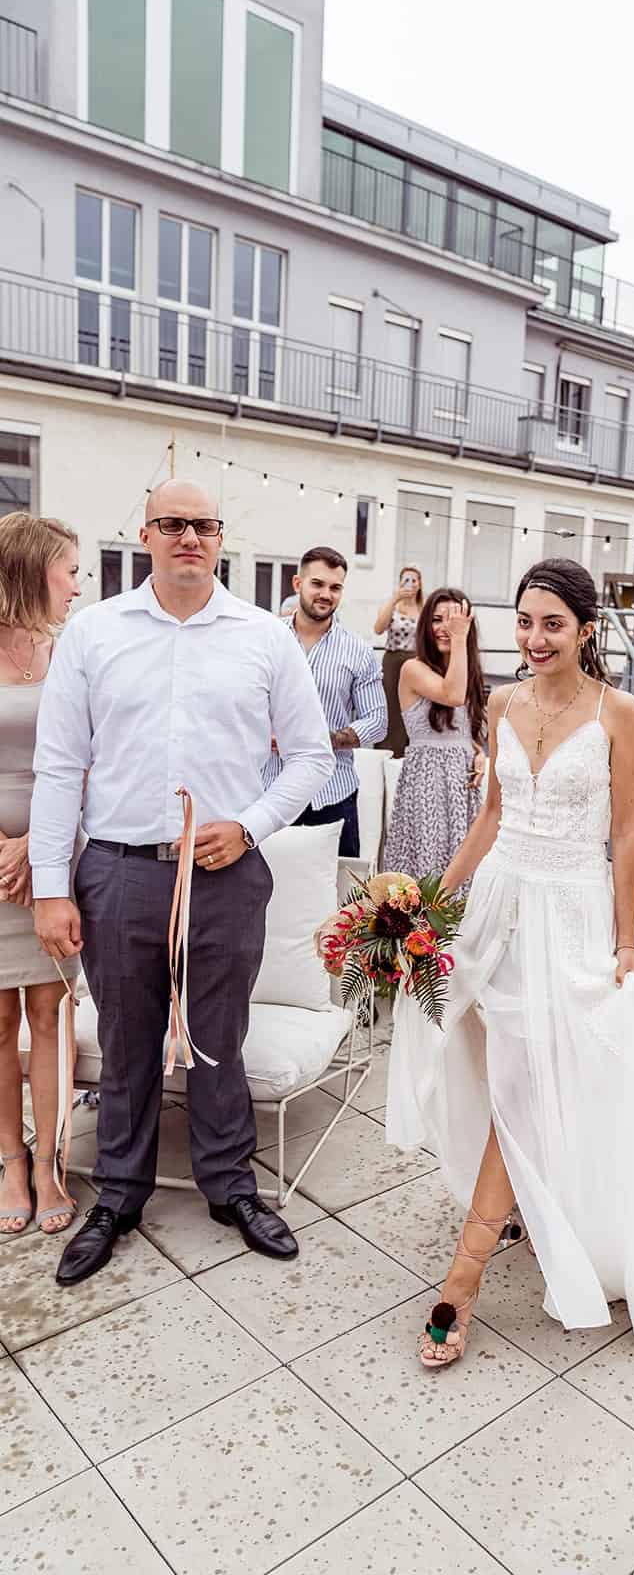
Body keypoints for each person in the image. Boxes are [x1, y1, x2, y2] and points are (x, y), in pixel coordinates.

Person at [385, 558, 634, 1365]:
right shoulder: (502, 703)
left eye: (552, 623)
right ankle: (517, 1199)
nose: (534, 638)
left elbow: (626, 833)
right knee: (485, 1059)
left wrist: (627, 943)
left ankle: (464, 1276)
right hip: (498, 904)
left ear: (585, 630)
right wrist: (433, 904)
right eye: (523, 621)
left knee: (525, 1083)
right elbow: (490, 815)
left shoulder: (617, 713)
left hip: (573, 915)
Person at [30, 480, 335, 1287]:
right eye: (173, 524)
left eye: (202, 524)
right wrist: (53, 887)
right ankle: (118, 1195)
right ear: (146, 535)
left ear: (220, 537)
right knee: (127, 1043)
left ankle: (230, 1185)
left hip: (225, 873)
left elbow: (311, 756)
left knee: (217, 1038)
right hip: (119, 871)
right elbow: (60, 767)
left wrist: (253, 823)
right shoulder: (93, 634)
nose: (188, 537)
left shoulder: (263, 639)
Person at [0, 514, 81, 1236]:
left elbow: (88, 759)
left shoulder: (70, 652)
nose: (78, 587)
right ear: (32, 571)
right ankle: (11, 1160)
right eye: (70, 572)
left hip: (53, 857)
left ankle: (54, 1162)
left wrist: (34, 845)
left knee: (50, 1015)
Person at [262, 546, 387, 858]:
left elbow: (377, 721)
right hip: (267, 790)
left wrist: (321, 739)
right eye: (317, 584)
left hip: (333, 793)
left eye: (335, 587)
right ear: (297, 584)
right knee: (263, 894)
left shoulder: (357, 650)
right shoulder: (265, 638)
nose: (326, 594)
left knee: (340, 898)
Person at [382, 588, 486, 883]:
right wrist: (458, 638)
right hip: (427, 780)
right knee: (427, 871)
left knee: (463, 871)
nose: (445, 627)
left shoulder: (466, 670)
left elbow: (461, 729)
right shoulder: (412, 668)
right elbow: (451, 695)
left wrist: (478, 752)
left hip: (461, 785)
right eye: (438, 620)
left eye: (454, 619)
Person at [374, 566, 423, 757]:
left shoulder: (424, 608)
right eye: (406, 579)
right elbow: (378, 628)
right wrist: (395, 598)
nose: (410, 583)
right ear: (400, 582)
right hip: (393, 662)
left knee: (413, 709)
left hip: (416, 661)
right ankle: (387, 753)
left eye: (414, 579)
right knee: (391, 708)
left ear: (419, 584)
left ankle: (409, 754)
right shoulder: (392, 607)